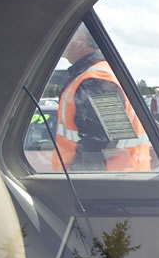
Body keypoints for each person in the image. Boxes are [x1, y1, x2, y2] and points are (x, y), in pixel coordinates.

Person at [51, 24, 151, 172]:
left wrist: (79, 176)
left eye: (67, 33)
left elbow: (99, 142)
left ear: (81, 39)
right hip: (116, 182)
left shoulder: (97, 79)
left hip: (107, 184)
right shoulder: (94, 75)